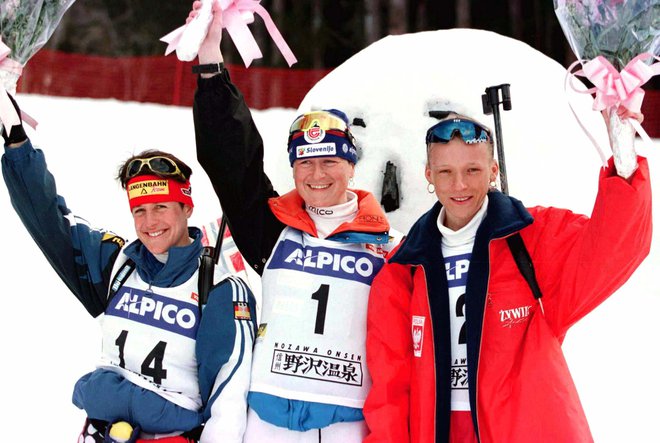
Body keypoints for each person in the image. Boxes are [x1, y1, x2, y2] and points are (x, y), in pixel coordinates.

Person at [362, 108, 652, 443]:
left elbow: (613, 247)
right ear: (429, 174)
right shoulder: (403, 269)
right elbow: (389, 390)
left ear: (493, 171)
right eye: (446, 172)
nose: (459, 185)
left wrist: (625, 156)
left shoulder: (531, 238)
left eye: (473, 169)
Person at [187, 2, 401, 441]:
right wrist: (211, 65)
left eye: (329, 162)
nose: (317, 175)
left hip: (346, 424)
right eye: (305, 163)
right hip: (266, 419)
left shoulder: (387, 246)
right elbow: (235, 164)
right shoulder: (274, 231)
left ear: (351, 167)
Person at [1, 95, 257, 443]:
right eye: (139, 211)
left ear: (187, 208)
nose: (150, 222)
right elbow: (48, 219)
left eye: (161, 207)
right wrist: (17, 143)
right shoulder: (117, 264)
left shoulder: (220, 287)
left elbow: (228, 397)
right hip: (102, 433)